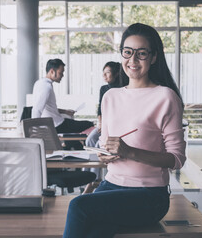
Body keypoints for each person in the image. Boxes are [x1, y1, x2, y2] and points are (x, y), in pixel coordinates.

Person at [63, 23, 187, 238]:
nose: (133, 60)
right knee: (96, 231)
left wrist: (130, 152)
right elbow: (106, 144)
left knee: (78, 206)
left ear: (154, 57)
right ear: (121, 54)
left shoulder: (166, 97)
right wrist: (105, 153)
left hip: (149, 195)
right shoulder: (110, 96)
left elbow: (177, 159)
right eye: (128, 52)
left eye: (141, 54)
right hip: (111, 184)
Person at [31, 58, 94, 149]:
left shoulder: (39, 83)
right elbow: (37, 109)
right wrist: (35, 132)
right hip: (57, 125)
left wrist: (65, 111)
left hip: (56, 123)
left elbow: (47, 107)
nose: (62, 75)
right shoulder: (46, 87)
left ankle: (70, 148)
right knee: (89, 124)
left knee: (73, 136)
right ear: (52, 71)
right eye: (61, 73)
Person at [85, 61, 126, 148]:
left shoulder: (124, 88)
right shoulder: (103, 89)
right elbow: (100, 109)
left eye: (107, 73)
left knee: (98, 145)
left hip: (117, 124)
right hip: (104, 124)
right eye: (103, 73)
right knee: (90, 140)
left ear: (116, 73)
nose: (104, 75)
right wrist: (101, 123)